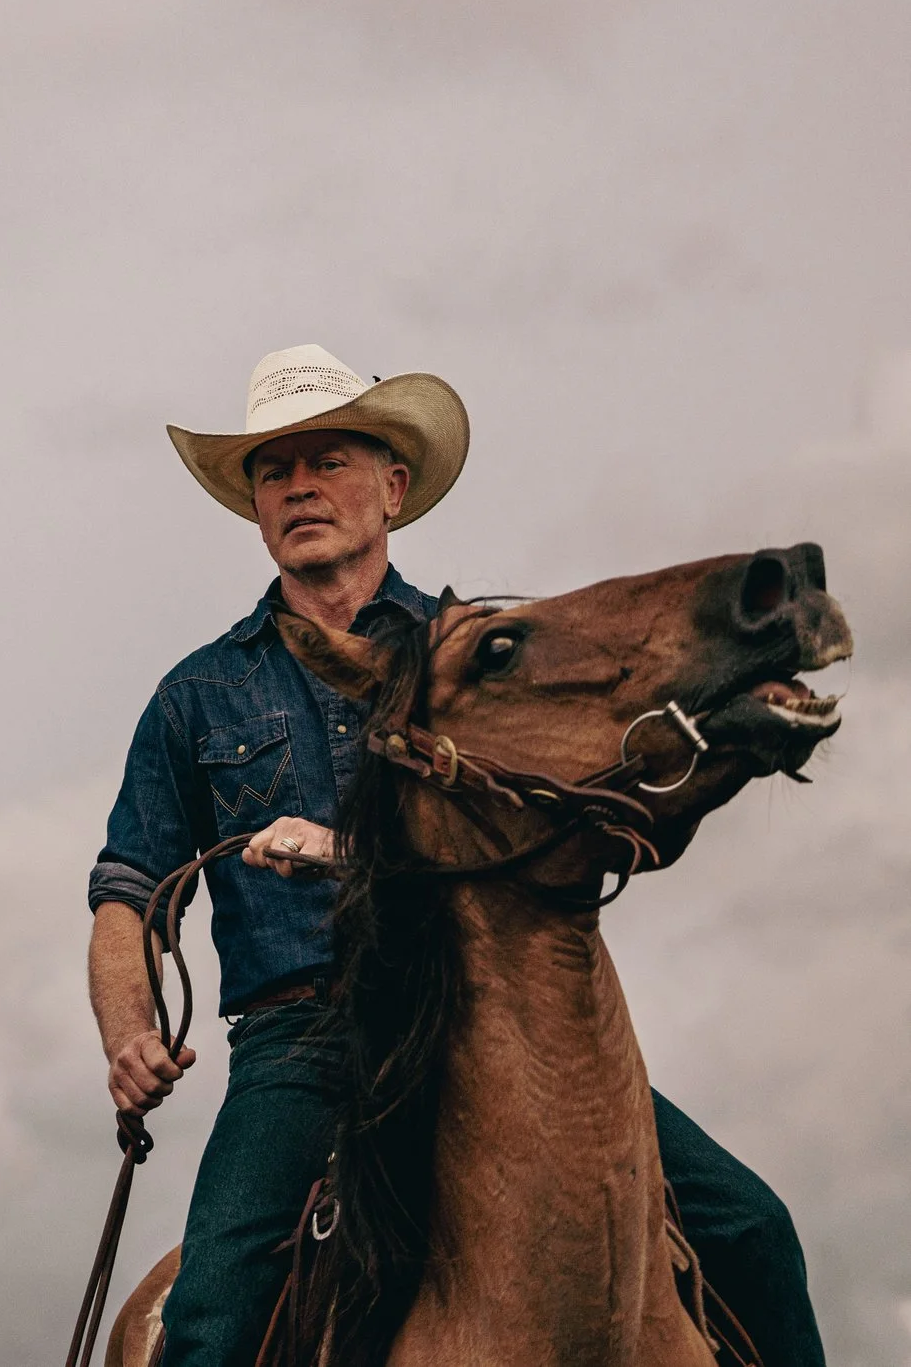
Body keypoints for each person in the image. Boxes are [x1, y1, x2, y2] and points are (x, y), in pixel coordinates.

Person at [86, 345, 823, 1367]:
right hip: (302, 1037)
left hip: (492, 1013)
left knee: (750, 1228)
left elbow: (599, 782)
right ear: (254, 505)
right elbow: (126, 894)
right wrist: (127, 1029)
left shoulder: (486, 653)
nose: (298, 483)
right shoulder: (196, 692)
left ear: (392, 487)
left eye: (327, 457)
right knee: (211, 1311)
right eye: (272, 468)